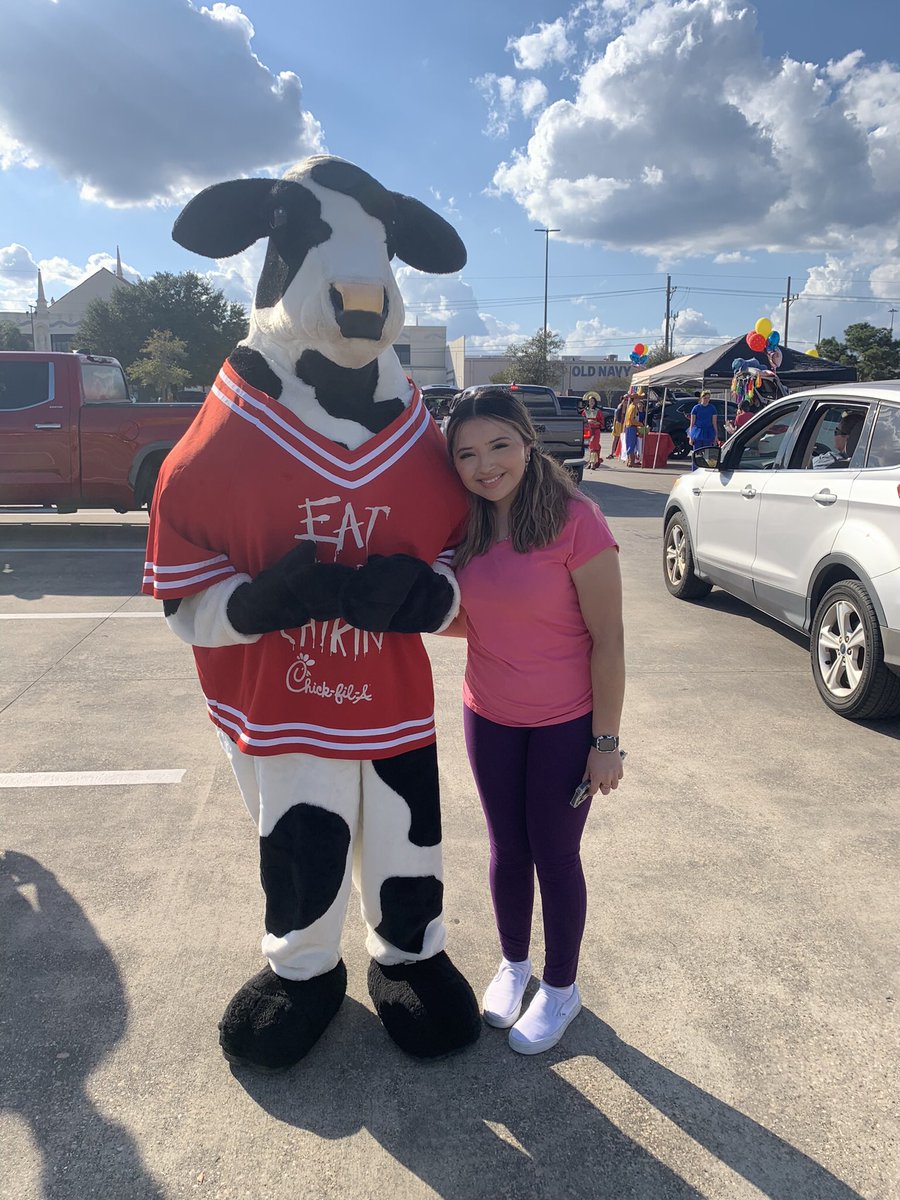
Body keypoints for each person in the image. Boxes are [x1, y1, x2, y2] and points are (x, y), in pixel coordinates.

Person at [443, 388, 625, 1055]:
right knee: (505, 850)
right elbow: (472, 620)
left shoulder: (577, 519)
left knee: (554, 854)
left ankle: (561, 988)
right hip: (487, 713)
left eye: (497, 446)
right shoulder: (464, 524)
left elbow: (610, 640)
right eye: (466, 454)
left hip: (564, 724)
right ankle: (514, 964)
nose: (484, 465)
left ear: (526, 441)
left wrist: (606, 744)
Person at [688, 391, 718, 468]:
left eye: (708, 398)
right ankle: (695, 469)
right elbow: (692, 423)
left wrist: (716, 435)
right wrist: (690, 437)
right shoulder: (696, 408)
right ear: (701, 398)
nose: (706, 400)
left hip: (708, 432)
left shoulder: (712, 408)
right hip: (698, 432)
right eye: (705, 398)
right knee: (697, 453)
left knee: (707, 454)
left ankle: (706, 469)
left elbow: (714, 423)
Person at [623, 391, 644, 467]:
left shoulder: (631, 406)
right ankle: (631, 462)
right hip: (631, 427)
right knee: (631, 444)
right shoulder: (633, 407)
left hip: (629, 427)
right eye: (637, 398)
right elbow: (632, 419)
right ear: (634, 399)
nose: (638, 400)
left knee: (629, 444)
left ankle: (629, 461)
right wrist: (640, 424)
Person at [610, 395, 627, 461]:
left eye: (626, 400)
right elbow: (615, 417)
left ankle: (621, 453)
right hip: (618, 424)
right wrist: (613, 426)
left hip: (624, 425)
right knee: (615, 439)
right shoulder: (619, 407)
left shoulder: (628, 407)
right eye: (624, 400)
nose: (625, 401)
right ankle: (612, 452)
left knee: (622, 440)